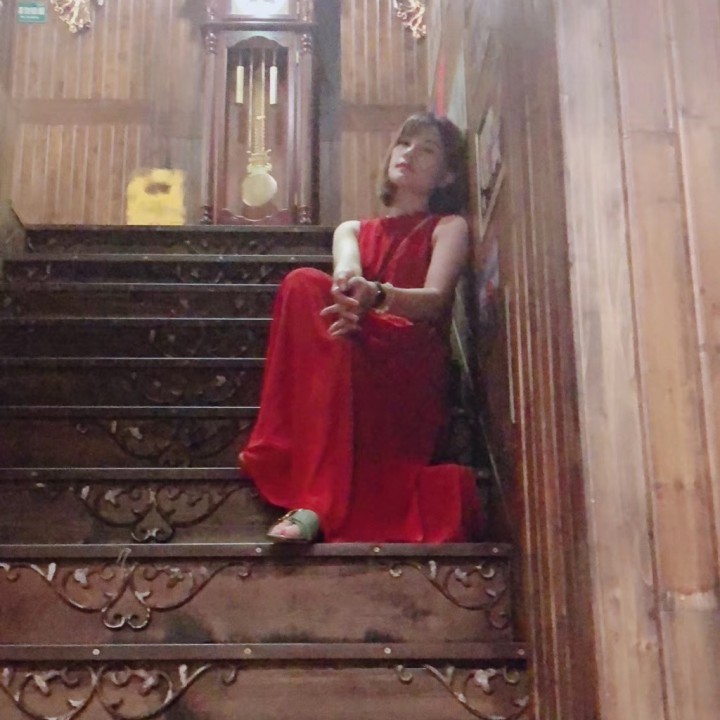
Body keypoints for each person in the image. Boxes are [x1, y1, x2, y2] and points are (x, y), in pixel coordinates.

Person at [239, 112, 483, 543]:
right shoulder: (351, 229)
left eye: (427, 149)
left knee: (340, 329)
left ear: (446, 175)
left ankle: (317, 504)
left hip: (409, 358)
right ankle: (316, 497)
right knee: (303, 284)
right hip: (355, 336)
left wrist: (377, 296)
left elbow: (434, 301)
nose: (409, 153)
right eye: (404, 143)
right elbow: (346, 270)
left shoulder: (449, 227)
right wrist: (349, 290)